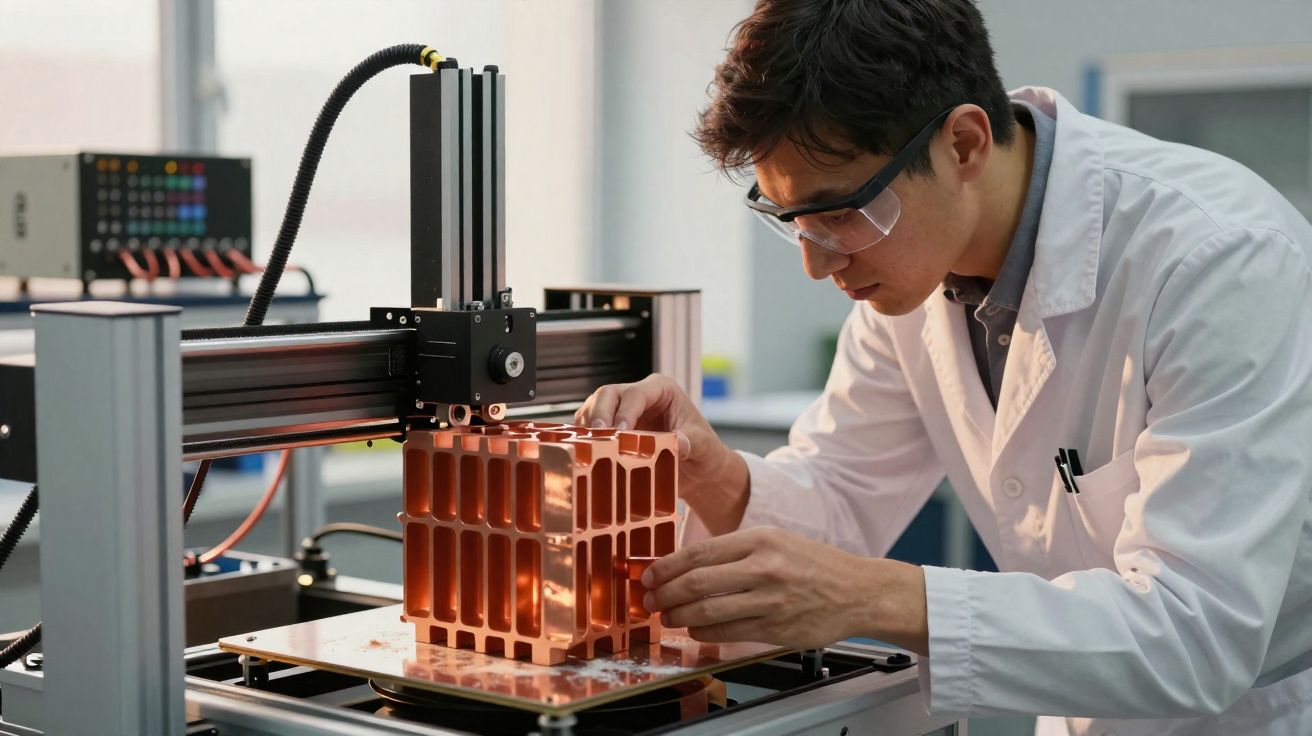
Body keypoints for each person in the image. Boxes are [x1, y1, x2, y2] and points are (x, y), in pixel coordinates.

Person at [574, 1, 1312, 733]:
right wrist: (713, 472)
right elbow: (841, 499)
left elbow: (1198, 632)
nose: (816, 262)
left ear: (963, 143)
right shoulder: (915, 278)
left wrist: (887, 598)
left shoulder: (1217, 259)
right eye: (789, 218)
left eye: (840, 212)